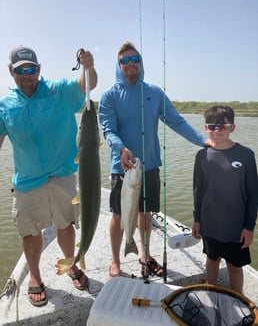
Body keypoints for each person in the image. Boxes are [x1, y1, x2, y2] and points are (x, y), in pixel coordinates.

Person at [98, 41, 215, 278]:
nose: (130, 64)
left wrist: (204, 141)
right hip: (122, 167)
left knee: (146, 213)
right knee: (119, 214)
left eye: (135, 60)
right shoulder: (109, 96)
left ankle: (144, 255)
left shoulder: (154, 93)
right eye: (125, 61)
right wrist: (120, 149)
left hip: (149, 165)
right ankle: (115, 261)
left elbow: (177, 122)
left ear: (141, 63)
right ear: (118, 65)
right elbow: (108, 129)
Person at [0, 46, 97, 306]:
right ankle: (34, 276)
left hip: (63, 175)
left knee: (66, 224)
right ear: (11, 71)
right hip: (27, 181)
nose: (27, 75)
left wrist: (88, 67)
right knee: (30, 232)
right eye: (21, 70)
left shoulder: (59, 91)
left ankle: (73, 265)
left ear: (39, 70)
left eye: (31, 69)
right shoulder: (4, 105)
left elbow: (86, 85)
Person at [192, 105, 258, 293]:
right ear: (205, 128)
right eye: (212, 126)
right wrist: (197, 219)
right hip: (209, 222)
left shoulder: (245, 155)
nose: (217, 131)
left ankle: (238, 299)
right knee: (212, 261)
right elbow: (198, 189)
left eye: (222, 126)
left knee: (235, 267)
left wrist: (249, 226)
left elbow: (253, 193)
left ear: (232, 128)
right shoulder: (202, 155)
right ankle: (212, 295)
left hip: (236, 226)